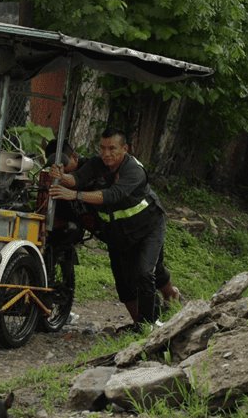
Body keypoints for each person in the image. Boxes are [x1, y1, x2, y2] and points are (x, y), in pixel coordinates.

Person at [49, 127, 176, 329]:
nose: (106, 153)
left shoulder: (134, 171)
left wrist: (74, 194)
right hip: (118, 233)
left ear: (125, 148)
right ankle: (140, 325)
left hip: (148, 227)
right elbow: (78, 179)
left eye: (112, 148)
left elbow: (111, 195)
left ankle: (152, 324)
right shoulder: (96, 163)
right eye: (102, 148)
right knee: (124, 283)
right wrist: (62, 177)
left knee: (145, 272)